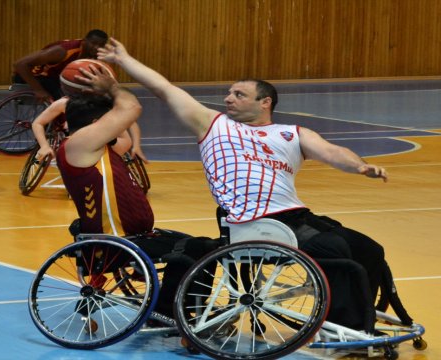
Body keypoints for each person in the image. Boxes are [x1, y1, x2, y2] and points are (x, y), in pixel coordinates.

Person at [98, 39, 391, 332]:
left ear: (265, 102)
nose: (228, 99)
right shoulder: (213, 125)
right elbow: (165, 89)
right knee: (332, 246)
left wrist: (359, 166)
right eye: (229, 93)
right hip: (252, 221)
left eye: (239, 94)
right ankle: (342, 327)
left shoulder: (291, 133)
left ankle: (361, 316)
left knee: (369, 249)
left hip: (297, 217)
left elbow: (331, 152)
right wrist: (123, 60)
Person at [56, 64, 218, 320]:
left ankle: (171, 307)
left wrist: (103, 97)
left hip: (135, 235)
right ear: (97, 124)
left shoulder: (98, 149)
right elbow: (131, 108)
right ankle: (172, 311)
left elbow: (126, 133)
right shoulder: (78, 144)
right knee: (201, 249)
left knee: (202, 245)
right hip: (115, 241)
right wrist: (112, 88)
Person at [31, 96, 148, 162]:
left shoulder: (111, 106)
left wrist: (136, 146)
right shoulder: (64, 103)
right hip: (76, 137)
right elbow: (38, 123)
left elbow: (131, 123)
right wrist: (44, 146)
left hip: (107, 135)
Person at [12, 29, 109, 104]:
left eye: (101, 45)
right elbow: (20, 64)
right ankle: (57, 124)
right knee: (65, 99)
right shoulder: (63, 51)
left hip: (52, 77)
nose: (97, 47)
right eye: (93, 43)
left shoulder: (94, 54)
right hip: (29, 75)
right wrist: (39, 90)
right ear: (85, 41)